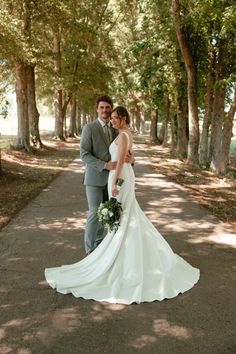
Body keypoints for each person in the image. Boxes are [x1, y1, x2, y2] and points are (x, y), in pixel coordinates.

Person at [45, 106, 200, 305]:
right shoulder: (111, 131)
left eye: (115, 117)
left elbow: (121, 161)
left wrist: (116, 182)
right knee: (123, 215)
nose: (112, 120)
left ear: (124, 118)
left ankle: (119, 254)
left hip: (120, 178)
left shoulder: (124, 134)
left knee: (125, 214)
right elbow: (109, 154)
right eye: (111, 117)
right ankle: (107, 249)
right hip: (113, 176)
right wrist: (122, 166)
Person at [79, 95, 118, 255]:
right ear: (97, 109)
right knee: (94, 213)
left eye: (107, 107)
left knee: (106, 213)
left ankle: (99, 246)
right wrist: (104, 165)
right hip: (94, 179)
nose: (104, 110)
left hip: (111, 179)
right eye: (101, 107)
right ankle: (89, 250)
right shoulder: (89, 128)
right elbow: (84, 154)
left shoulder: (116, 129)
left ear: (111, 109)